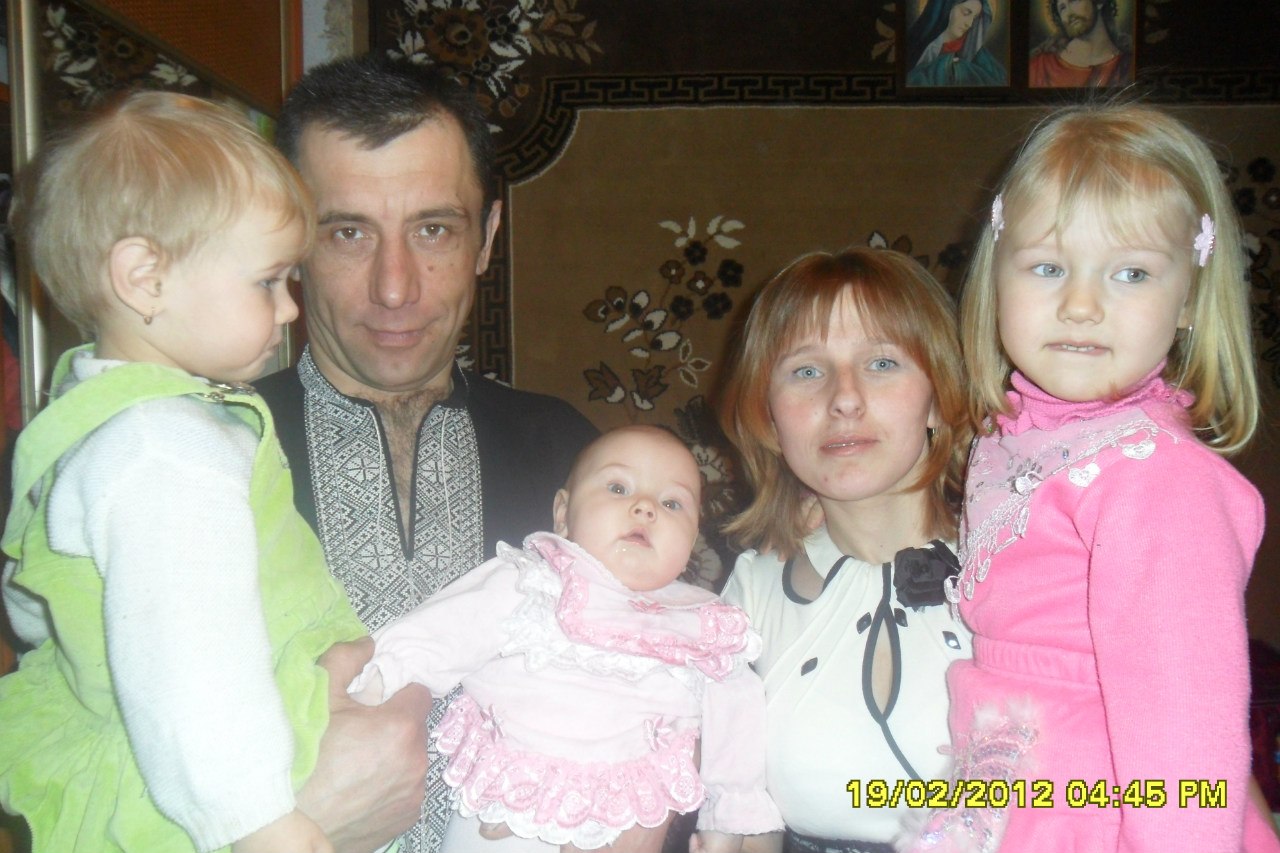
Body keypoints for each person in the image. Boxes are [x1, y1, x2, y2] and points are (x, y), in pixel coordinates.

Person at [0, 92, 366, 852]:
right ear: (145, 279)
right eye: (267, 281)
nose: (290, 309)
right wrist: (259, 820)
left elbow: (33, 600)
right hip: (219, 784)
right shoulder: (167, 448)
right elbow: (194, 673)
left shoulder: (84, 417)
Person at [909, 103, 1280, 853]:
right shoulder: (1011, 436)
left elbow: (1187, 728)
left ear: (1188, 299)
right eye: (1048, 267)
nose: (1081, 305)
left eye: (1131, 273)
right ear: (997, 275)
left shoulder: (1161, 481)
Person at [257, 54, 599, 852]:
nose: (395, 287)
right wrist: (289, 827)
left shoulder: (577, 461)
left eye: (434, 229)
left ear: (487, 238)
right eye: (348, 232)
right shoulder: (195, 461)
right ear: (291, 241)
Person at [347, 425, 783, 852]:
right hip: (507, 803)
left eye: (672, 503)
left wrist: (727, 819)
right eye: (618, 488)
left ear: (692, 538)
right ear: (563, 513)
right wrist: (378, 679)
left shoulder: (702, 624)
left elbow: (738, 721)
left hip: (628, 814)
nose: (645, 508)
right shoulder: (531, 582)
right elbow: (443, 629)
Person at [715, 247, 974, 853]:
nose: (845, 399)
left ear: (939, 398)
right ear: (769, 417)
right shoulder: (745, 598)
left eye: (882, 363)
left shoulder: (1032, 572)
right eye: (807, 371)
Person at [1029, 0, 1133, 88]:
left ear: (1099, 3)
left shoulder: (1128, 65)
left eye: (1074, 1)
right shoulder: (1040, 68)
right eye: (1062, 8)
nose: (1069, 14)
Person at [906, 0, 1008, 88]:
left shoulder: (979, 55)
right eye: (966, 13)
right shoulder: (913, 47)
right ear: (947, 8)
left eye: (974, 18)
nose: (969, 24)